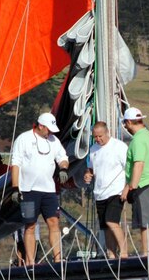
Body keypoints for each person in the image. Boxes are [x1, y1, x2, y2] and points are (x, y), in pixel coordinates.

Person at [10, 112, 69, 265]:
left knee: (54, 222)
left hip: (49, 190)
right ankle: (30, 261)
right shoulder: (23, 139)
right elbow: (15, 164)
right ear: (40, 126)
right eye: (48, 129)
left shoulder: (54, 140)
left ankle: (58, 259)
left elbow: (63, 158)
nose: (50, 132)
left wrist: (63, 168)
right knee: (30, 225)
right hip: (28, 190)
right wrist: (15, 188)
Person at [83, 121, 128, 258]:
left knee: (111, 221)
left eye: (100, 136)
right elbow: (91, 168)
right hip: (99, 193)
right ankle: (111, 254)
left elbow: (129, 168)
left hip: (115, 191)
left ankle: (124, 252)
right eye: (95, 137)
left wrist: (127, 187)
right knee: (104, 226)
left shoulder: (119, 146)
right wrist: (88, 174)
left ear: (107, 132)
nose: (98, 139)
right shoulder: (93, 149)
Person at [120, 107, 149, 256]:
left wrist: (132, 187)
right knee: (147, 221)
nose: (126, 128)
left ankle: (147, 254)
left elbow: (139, 164)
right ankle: (147, 253)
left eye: (125, 124)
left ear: (129, 122)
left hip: (143, 184)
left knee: (145, 223)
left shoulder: (138, 140)